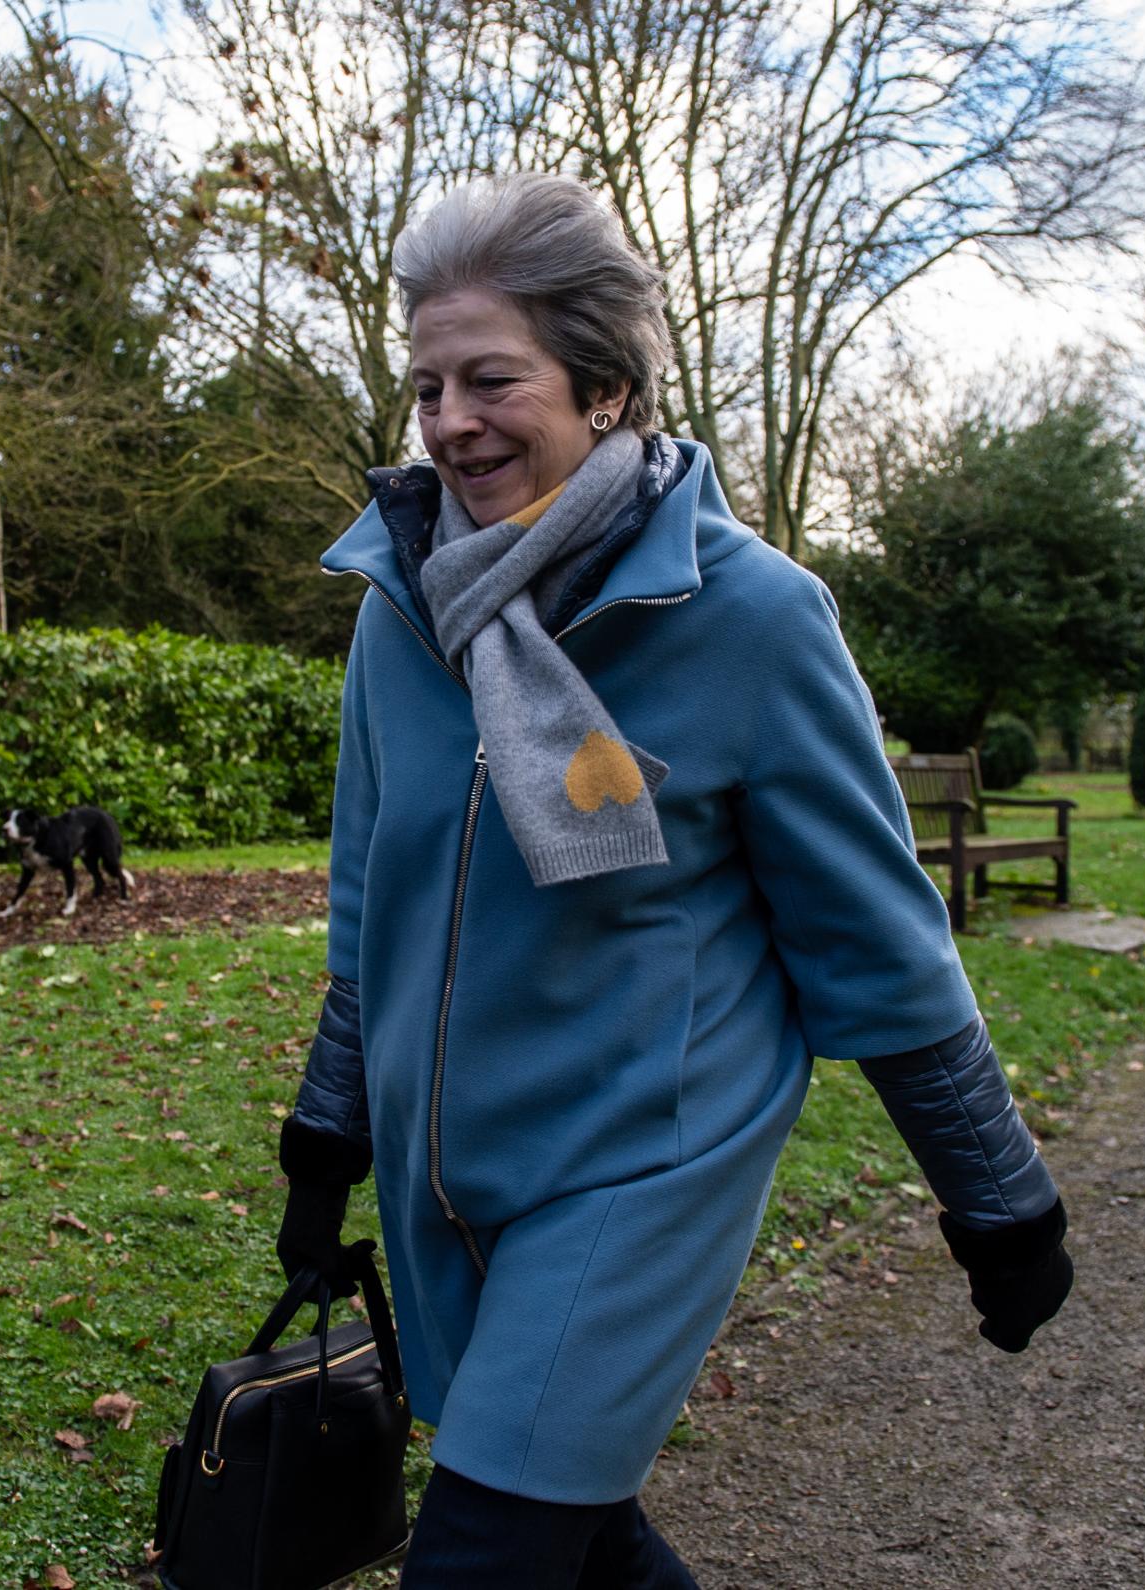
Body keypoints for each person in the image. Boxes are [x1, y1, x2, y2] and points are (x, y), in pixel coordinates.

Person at [271, 174, 1072, 1587]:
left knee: (484, 1552)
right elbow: (367, 899)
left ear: (609, 388)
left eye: (493, 378)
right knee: (576, 1541)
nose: (452, 420)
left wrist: (999, 1202)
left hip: (636, 1171)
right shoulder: (401, 611)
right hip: (448, 1173)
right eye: (427, 385)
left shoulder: (750, 617)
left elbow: (876, 944)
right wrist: (328, 1129)